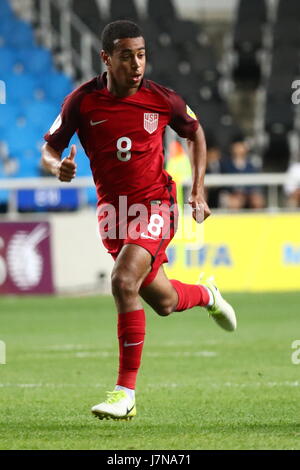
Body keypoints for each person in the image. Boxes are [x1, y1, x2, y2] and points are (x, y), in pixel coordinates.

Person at [41, 20, 236, 421]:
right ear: (106, 58)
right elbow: (49, 146)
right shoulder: (81, 101)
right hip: (114, 215)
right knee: (163, 302)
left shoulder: (162, 99)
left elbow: (195, 133)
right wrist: (56, 166)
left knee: (123, 280)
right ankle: (208, 296)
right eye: (126, 55)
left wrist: (198, 189)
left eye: (142, 54)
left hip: (156, 206)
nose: (136, 64)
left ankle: (125, 392)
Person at [221, 135, 265, 210]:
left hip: (248, 191)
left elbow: (255, 181)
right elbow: (223, 183)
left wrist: (248, 191)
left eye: (241, 146)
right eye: (237, 146)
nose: (239, 148)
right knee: (235, 202)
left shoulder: (252, 163)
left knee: (258, 201)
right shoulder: (225, 164)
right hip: (232, 192)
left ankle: (258, 221)